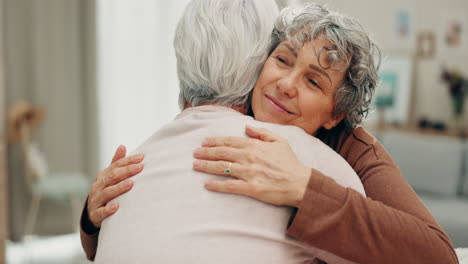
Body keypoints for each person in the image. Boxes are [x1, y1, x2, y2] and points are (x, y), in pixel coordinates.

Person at [81, 3, 459, 264]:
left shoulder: (351, 151)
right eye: (282, 59)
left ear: (335, 113)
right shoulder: (230, 117)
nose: (286, 84)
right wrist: (92, 217)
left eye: (313, 81)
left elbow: (438, 256)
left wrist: (305, 189)